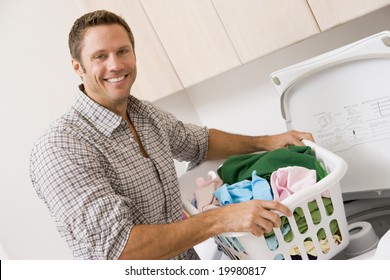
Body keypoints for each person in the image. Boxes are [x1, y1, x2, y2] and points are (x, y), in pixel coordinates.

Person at [29, 10, 314, 260]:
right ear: (77, 67)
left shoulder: (146, 116)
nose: (115, 65)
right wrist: (220, 220)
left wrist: (268, 142)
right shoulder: (61, 147)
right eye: (100, 56)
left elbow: (201, 143)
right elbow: (120, 250)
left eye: (123, 51)